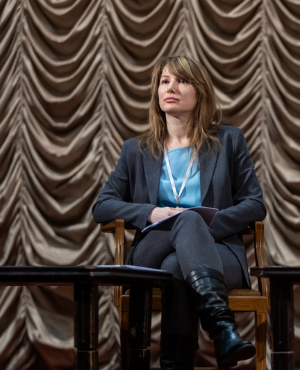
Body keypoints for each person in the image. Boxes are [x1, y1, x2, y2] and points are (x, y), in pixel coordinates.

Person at [93, 56, 266, 370]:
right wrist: (151, 212)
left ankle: (175, 363)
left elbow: (255, 205)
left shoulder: (228, 141)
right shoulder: (136, 149)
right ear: (157, 94)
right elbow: (102, 206)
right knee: (183, 226)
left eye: (182, 81)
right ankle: (222, 327)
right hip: (151, 252)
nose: (171, 87)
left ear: (200, 92)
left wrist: (204, 225)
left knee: (178, 264)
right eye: (164, 81)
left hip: (217, 250)